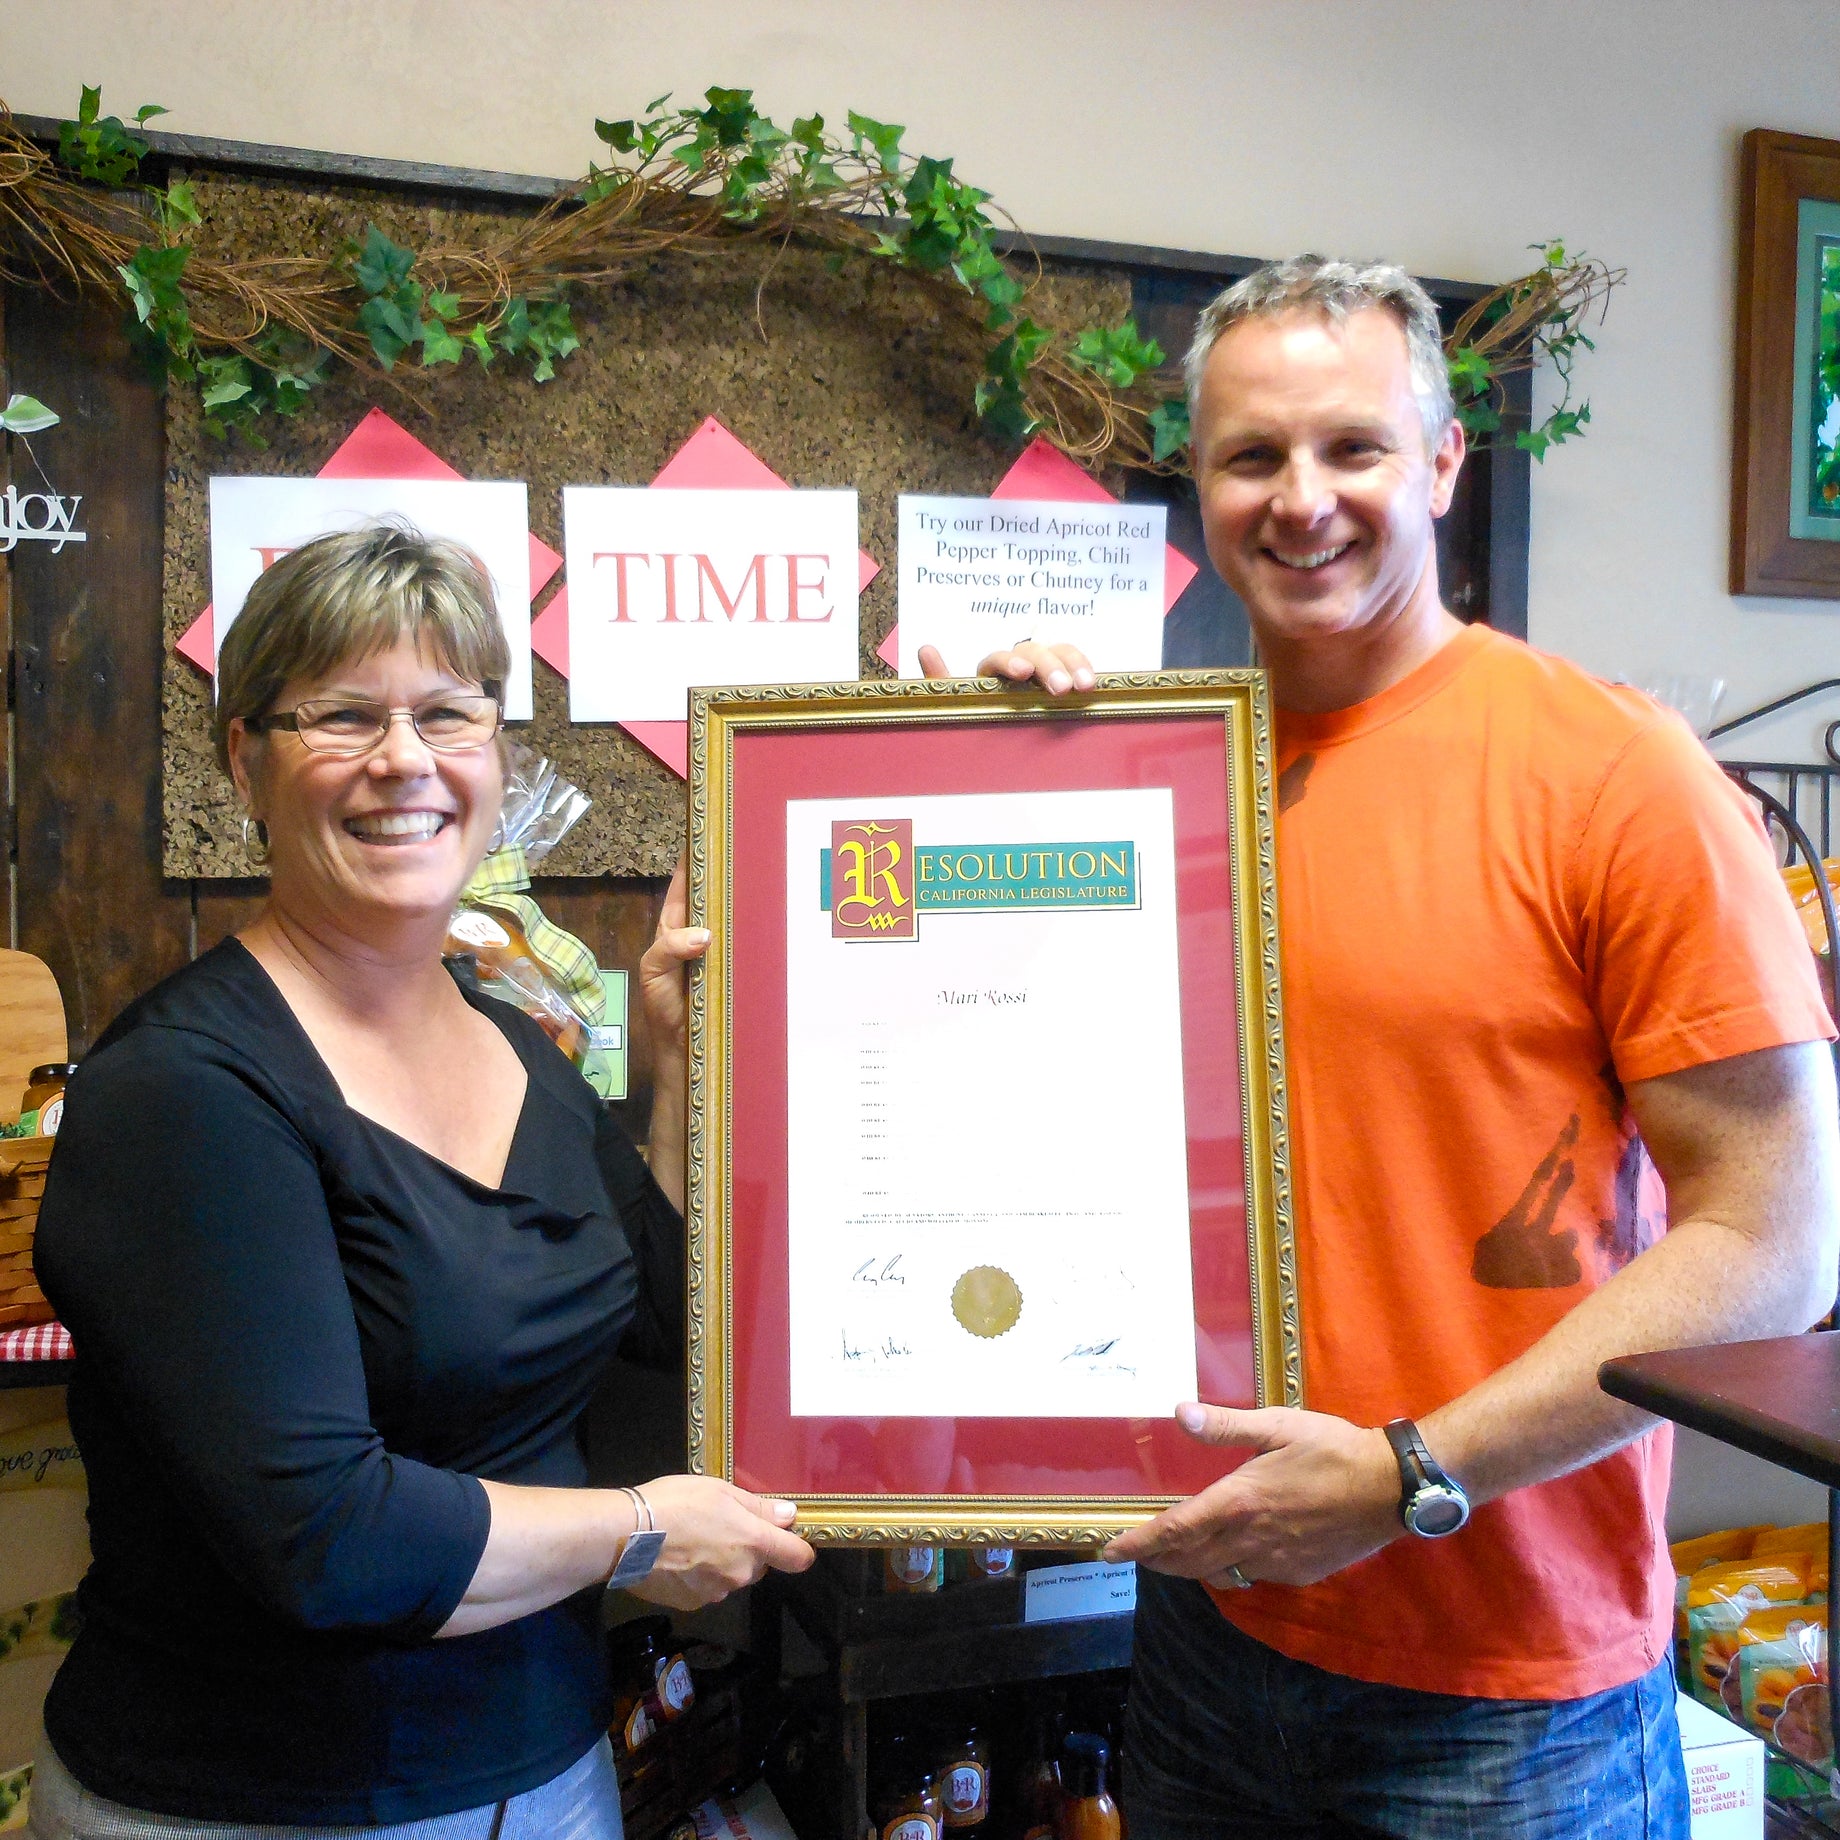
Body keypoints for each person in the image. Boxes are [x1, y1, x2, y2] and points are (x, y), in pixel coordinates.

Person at [922, 256, 1840, 1838]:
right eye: (1249, 457)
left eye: (1352, 448)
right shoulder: (1157, 786)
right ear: (1194, 486)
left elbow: (1778, 1236)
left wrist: (1414, 1471)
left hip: (1508, 1695)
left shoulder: (1614, 772)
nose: (1302, 500)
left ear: (1441, 466)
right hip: (1209, 1633)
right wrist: (982, 772)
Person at [29, 525, 813, 1838]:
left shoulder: (514, 1040)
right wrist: (634, 1534)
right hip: (261, 1804)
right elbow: (326, 1540)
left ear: (497, 757)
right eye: (343, 715)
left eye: (448, 713)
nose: (405, 760)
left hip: (545, 1774)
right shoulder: (184, 1096)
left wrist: (677, 1070)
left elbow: (655, 1320)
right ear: (244, 761)